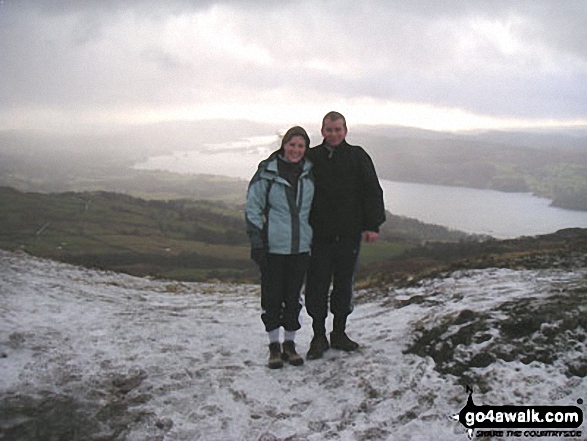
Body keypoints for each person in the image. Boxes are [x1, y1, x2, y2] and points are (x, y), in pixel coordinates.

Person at [304, 111, 385, 360]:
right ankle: (318, 336)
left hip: (349, 234)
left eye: (338, 129)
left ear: (345, 131)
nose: (334, 134)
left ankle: (338, 333)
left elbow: (372, 190)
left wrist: (372, 224)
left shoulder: (358, 156)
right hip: (318, 235)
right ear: (322, 131)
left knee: (343, 284)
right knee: (317, 285)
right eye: (329, 129)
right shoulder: (312, 157)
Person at [245, 126, 314, 369]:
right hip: (273, 247)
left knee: (293, 298)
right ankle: (274, 346)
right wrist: (257, 242)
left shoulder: (311, 172)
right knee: (272, 297)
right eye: (292, 144)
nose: (296, 150)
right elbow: (253, 207)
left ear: (306, 149)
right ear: (284, 145)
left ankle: (290, 344)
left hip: (301, 247)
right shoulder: (267, 171)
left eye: (301, 146)